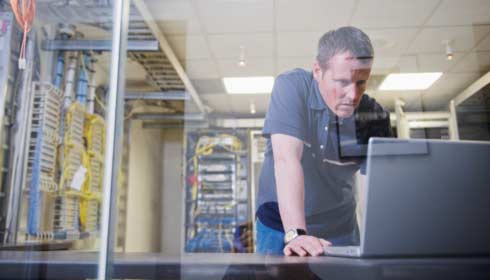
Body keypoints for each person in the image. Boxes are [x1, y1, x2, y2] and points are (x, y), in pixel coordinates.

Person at [256, 26, 392, 256]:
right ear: (318, 71)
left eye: (361, 83)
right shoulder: (293, 87)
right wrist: (297, 234)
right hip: (280, 226)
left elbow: (380, 189)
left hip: (338, 227)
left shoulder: (373, 115)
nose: (353, 95)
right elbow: (286, 159)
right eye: (342, 82)